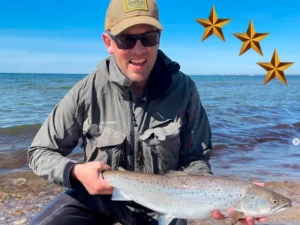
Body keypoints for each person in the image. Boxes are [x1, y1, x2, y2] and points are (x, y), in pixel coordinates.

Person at [28, 0, 265, 224]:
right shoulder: (86, 92)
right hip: (102, 198)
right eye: (126, 39)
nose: (139, 49)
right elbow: (39, 152)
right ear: (108, 42)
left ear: (159, 39)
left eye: (148, 38)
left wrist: (222, 198)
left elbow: (195, 158)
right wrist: (76, 171)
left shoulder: (185, 90)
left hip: (167, 203)